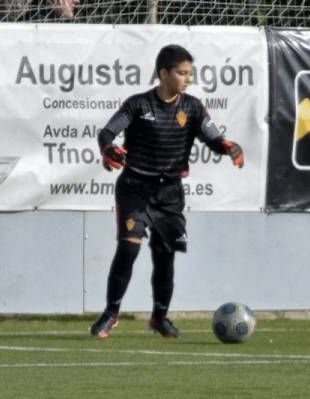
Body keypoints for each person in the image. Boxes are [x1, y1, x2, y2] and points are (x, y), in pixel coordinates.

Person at [90, 44, 244, 339]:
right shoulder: (138, 105)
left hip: (169, 194)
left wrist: (228, 146)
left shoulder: (193, 107)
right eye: (182, 73)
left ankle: (159, 318)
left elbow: (213, 139)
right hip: (135, 188)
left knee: (165, 256)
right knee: (128, 248)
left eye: (190, 74)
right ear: (164, 73)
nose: (188, 78)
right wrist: (107, 148)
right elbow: (107, 132)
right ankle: (111, 314)